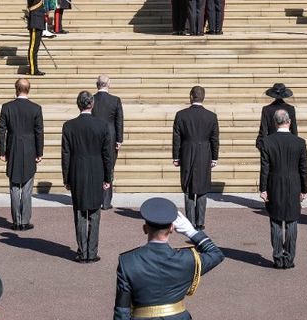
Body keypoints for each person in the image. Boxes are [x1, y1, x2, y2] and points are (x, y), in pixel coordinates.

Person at [113, 197, 224, 319]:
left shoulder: (127, 261)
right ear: (172, 228)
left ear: (145, 229)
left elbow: (122, 310)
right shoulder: (188, 259)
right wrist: (191, 232)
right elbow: (216, 254)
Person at [62, 91, 112, 263]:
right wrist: (108, 178)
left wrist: (66, 178)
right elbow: (107, 155)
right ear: (91, 104)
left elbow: (66, 155)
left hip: (77, 171)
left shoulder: (69, 126)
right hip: (97, 170)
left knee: (79, 212)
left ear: (79, 104)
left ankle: (82, 251)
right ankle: (92, 251)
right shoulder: (102, 125)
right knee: (95, 213)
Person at [260, 108, 307, 269]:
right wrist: (304, 189)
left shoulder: (267, 141)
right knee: (292, 221)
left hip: (274, 183)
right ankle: (289, 257)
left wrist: (263, 188)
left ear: (275, 123)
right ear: (289, 122)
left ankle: (278, 256)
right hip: (294, 183)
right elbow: (303, 168)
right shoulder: (299, 142)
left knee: (275, 220)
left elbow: (264, 168)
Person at [0, 78, 43, 230]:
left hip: (13, 148)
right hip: (30, 149)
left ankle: (16, 220)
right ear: (28, 89)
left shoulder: (7, 107)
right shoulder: (35, 108)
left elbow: (1, 131)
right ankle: (24, 220)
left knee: (14, 187)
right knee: (27, 187)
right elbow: (39, 132)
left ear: (16, 89)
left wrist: (2, 151)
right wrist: (39, 152)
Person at [173, 86, 219, 231]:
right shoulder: (211, 116)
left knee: (188, 188)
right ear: (203, 97)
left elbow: (176, 138)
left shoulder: (181, 115)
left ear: (191, 96)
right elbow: (215, 139)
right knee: (202, 188)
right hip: (205, 153)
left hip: (187, 152)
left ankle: (189, 221)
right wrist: (215, 157)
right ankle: (200, 222)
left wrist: (176, 156)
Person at [91, 75, 124, 210]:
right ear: (108, 84)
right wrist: (119, 140)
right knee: (109, 168)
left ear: (97, 84)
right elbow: (119, 121)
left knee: (95, 167)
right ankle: (106, 201)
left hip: (94, 136)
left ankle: (96, 197)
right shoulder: (115, 100)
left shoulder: (91, 99)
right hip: (110, 136)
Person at [256, 83, 298, 152]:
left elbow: (263, 131)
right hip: (287, 143)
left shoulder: (267, 109)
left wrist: (263, 147)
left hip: (272, 144)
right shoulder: (290, 109)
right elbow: (294, 130)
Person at [24, 0, 47, 76]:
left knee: (35, 48)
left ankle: (35, 68)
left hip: (39, 23)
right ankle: (33, 70)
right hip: (34, 23)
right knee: (33, 47)